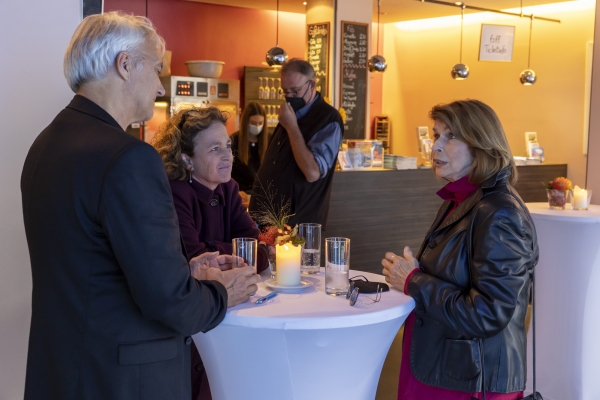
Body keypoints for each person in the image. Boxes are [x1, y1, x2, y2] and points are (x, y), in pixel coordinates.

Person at [20, 12, 259, 400]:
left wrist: (186, 269)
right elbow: (170, 302)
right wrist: (222, 293)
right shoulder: (129, 158)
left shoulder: (45, 145)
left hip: (63, 369)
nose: (160, 88)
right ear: (125, 64)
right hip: (122, 380)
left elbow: (95, 265)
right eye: (157, 69)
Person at [382, 100, 538, 400]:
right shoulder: (462, 198)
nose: (435, 146)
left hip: (471, 380)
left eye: (450, 136)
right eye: (436, 134)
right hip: (446, 366)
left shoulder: (500, 213)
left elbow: (489, 312)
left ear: (481, 145)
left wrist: (414, 280)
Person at [152, 106, 269, 400]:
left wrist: (217, 249)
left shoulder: (228, 188)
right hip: (193, 321)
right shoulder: (176, 193)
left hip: (229, 306)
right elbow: (194, 259)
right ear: (186, 159)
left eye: (228, 146)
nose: (228, 155)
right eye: (215, 149)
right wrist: (233, 250)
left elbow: (259, 252)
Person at [248, 58, 343, 229]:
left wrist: (292, 127)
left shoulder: (328, 119)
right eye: (285, 91)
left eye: (295, 91)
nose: (289, 97)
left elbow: (313, 172)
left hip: (296, 225)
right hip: (268, 221)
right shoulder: (292, 112)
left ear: (312, 85)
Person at [230, 101, 269, 201]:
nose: (257, 126)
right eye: (253, 123)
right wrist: (235, 191)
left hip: (263, 196)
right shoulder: (234, 141)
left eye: (260, 123)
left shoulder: (270, 140)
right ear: (246, 122)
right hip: (240, 196)